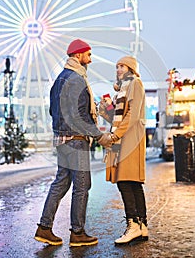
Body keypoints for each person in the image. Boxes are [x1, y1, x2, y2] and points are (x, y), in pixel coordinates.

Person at [34, 39, 112, 247]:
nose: (90, 59)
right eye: (88, 54)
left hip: (62, 139)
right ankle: (77, 232)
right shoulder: (77, 79)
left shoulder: (60, 79)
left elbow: (55, 110)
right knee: (82, 185)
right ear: (78, 55)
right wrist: (99, 135)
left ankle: (44, 227)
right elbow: (79, 116)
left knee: (61, 182)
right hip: (76, 140)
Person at [99, 56, 148, 245]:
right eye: (117, 66)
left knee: (125, 181)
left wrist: (115, 135)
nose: (118, 69)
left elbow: (132, 114)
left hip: (130, 138)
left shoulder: (135, 83)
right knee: (133, 182)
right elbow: (117, 117)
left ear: (131, 68)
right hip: (126, 137)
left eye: (122, 66)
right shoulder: (123, 89)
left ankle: (133, 225)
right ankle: (141, 225)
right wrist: (105, 110)